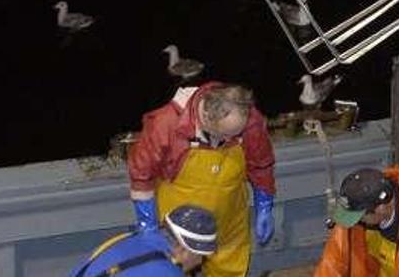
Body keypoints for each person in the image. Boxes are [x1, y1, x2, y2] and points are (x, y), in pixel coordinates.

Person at [128, 82, 276, 277]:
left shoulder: (249, 120)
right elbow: (141, 175)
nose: (233, 139)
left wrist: (264, 205)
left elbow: (261, 164)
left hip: (228, 217)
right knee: (174, 268)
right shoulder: (165, 123)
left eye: (237, 134)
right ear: (206, 116)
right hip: (178, 224)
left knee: (230, 269)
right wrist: (148, 226)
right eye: (226, 134)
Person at [69, 204, 217, 277]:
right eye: (200, 255)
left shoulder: (136, 238)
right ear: (183, 248)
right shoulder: (166, 272)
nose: (199, 263)